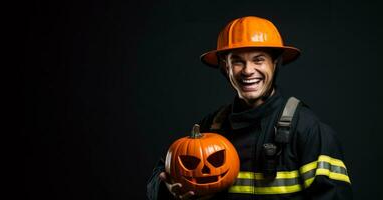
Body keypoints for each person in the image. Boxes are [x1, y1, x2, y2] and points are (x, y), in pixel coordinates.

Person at [147, 16, 353, 200]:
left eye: (258, 60)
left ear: (275, 63)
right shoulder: (211, 127)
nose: (247, 71)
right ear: (225, 67)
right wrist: (168, 190)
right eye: (237, 61)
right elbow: (160, 177)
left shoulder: (309, 130)